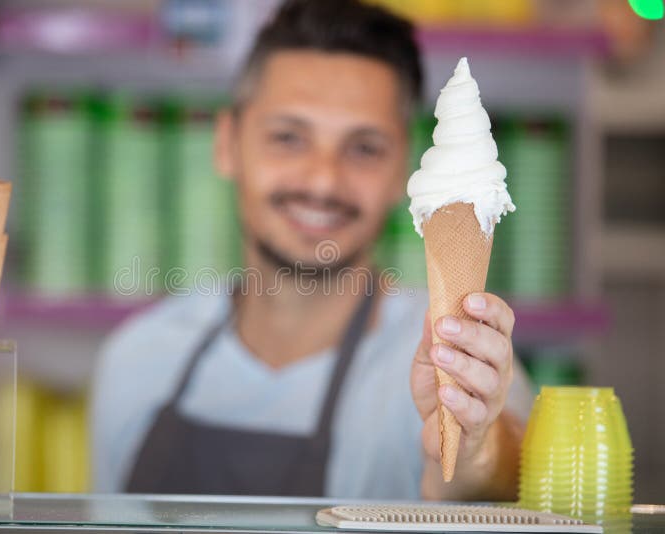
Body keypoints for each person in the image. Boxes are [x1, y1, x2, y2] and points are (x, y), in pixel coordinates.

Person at [91, 0, 533, 501]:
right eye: (288, 138)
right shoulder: (136, 360)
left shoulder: (460, 364)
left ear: (404, 171)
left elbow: (497, 476)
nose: (323, 181)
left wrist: (473, 451)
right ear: (227, 144)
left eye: (364, 148)